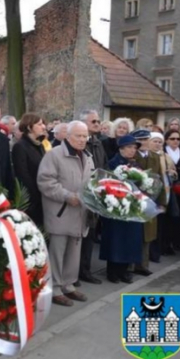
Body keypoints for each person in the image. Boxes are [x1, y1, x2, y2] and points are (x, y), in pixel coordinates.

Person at [37, 121, 95, 307]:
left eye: (85, 136)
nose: (82, 139)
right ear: (67, 136)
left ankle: (68, 285)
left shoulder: (88, 156)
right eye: (78, 135)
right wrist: (67, 196)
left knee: (73, 253)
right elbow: (46, 182)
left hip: (80, 214)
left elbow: (92, 182)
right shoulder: (54, 155)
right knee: (57, 253)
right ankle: (53, 288)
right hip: (61, 213)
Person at [100, 135, 144, 283]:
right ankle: (112, 271)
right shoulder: (113, 163)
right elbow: (106, 182)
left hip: (132, 206)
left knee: (130, 239)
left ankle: (124, 270)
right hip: (116, 207)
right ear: (121, 148)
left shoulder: (136, 164)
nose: (133, 150)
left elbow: (142, 181)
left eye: (134, 148)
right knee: (116, 239)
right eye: (130, 147)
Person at [78, 110, 106, 285]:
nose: (97, 124)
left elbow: (104, 165)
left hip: (96, 193)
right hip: (81, 193)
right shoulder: (80, 144)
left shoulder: (98, 143)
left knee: (91, 233)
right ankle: (75, 273)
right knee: (79, 236)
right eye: (93, 121)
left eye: (98, 121)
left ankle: (85, 270)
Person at [132, 129, 165, 274]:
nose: (144, 143)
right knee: (135, 234)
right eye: (140, 140)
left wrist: (162, 202)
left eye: (146, 139)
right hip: (134, 200)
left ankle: (143, 265)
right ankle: (130, 266)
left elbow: (160, 179)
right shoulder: (132, 156)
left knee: (148, 235)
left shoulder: (155, 157)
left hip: (151, 199)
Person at [11, 113, 47, 228]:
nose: (44, 127)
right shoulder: (20, 146)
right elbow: (23, 174)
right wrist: (37, 193)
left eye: (43, 124)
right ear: (29, 127)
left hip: (42, 197)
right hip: (30, 200)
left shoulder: (40, 146)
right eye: (39, 124)